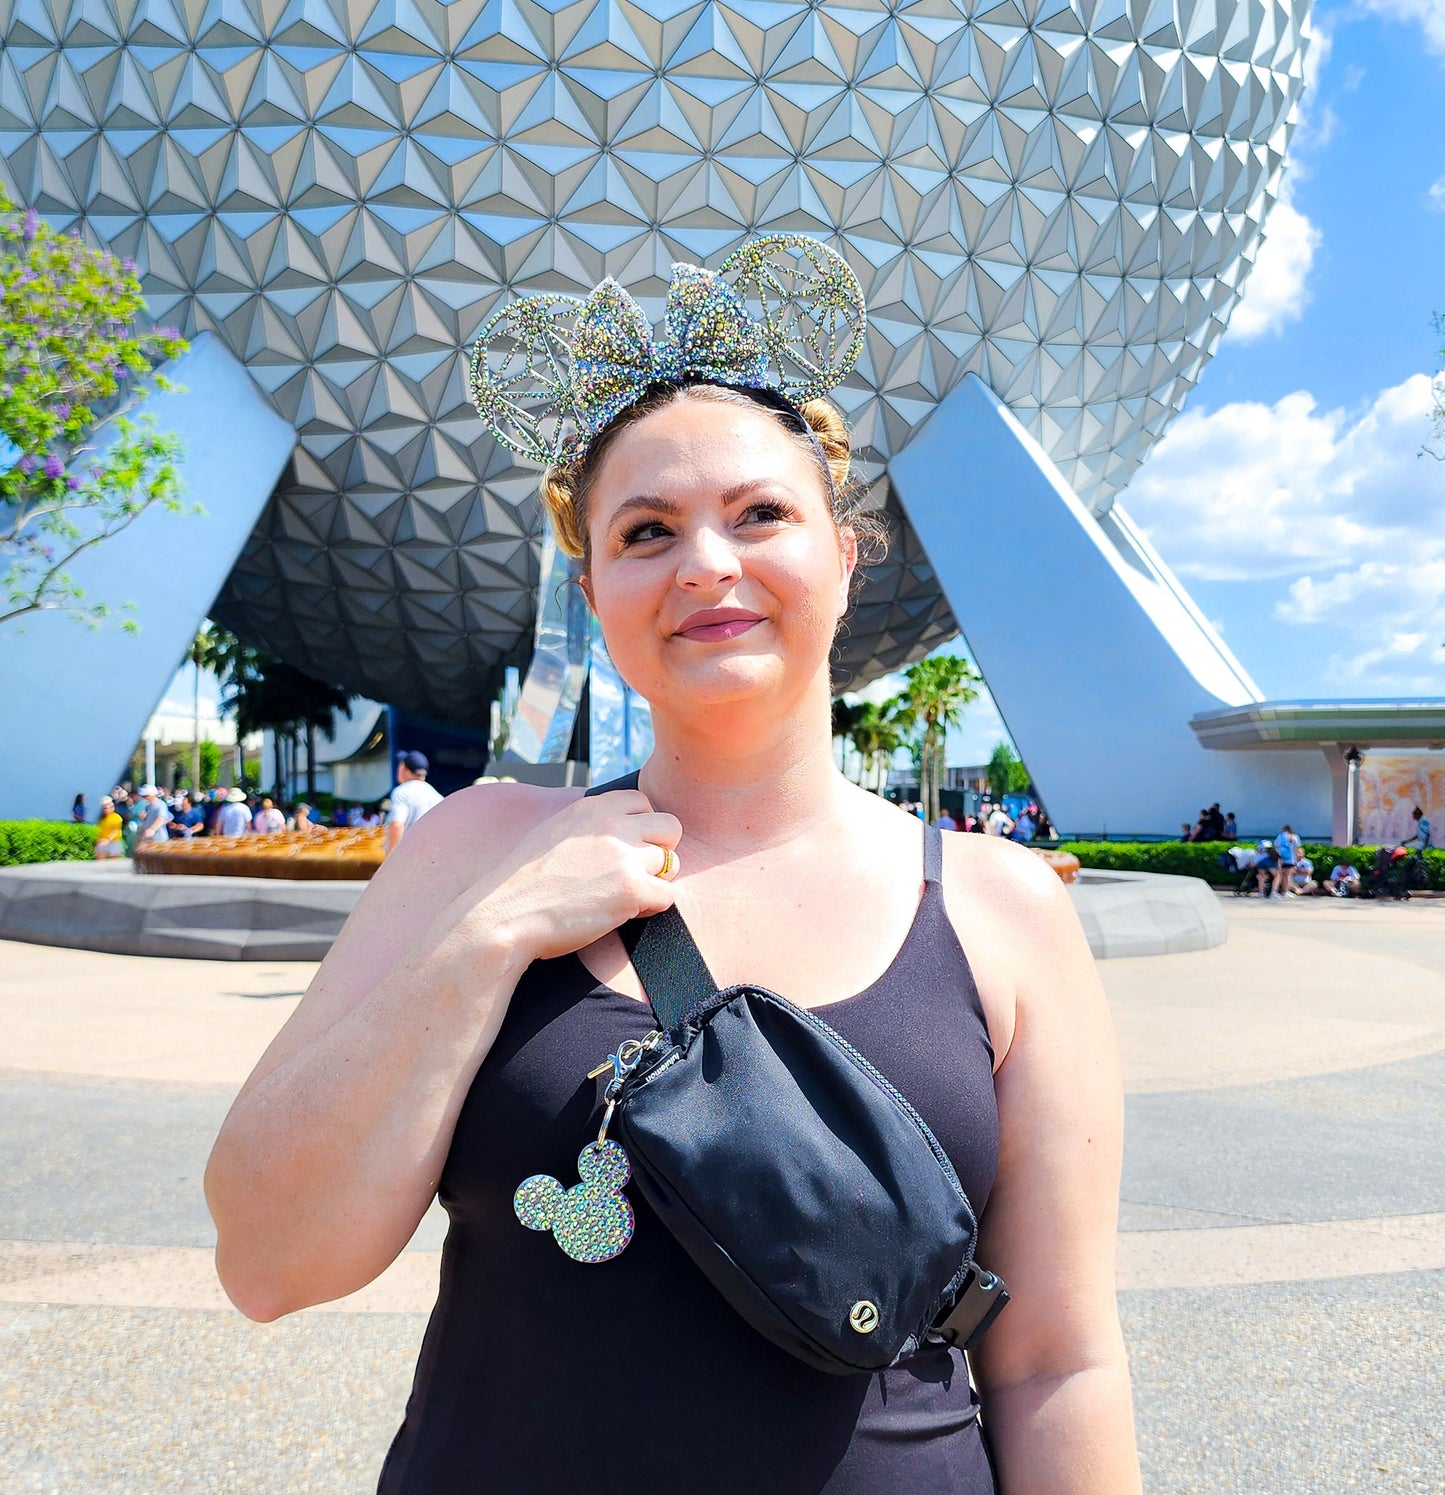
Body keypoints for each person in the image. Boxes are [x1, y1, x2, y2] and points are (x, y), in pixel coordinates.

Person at [205, 241, 1139, 1494]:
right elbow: (270, 1262)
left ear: (845, 555)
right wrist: (486, 940)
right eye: (648, 531)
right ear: (592, 589)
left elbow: (1054, 1361)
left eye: (760, 514)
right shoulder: (476, 851)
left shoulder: (1000, 910)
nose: (706, 563)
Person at [384, 751, 444, 854]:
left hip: (408, 857)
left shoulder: (402, 792)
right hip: (432, 856)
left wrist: (392, 859)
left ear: (405, 770)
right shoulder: (437, 796)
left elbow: (397, 825)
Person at [1273, 823, 1301, 898]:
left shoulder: (1280, 836)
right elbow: (1296, 849)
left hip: (1281, 858)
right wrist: (1296, 860)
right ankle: (1285, 892)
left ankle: (1275, 892)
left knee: (1279, 875)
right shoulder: (1294, 836)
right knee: (1287, 876)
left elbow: (1276, 847)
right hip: (1290, 858)